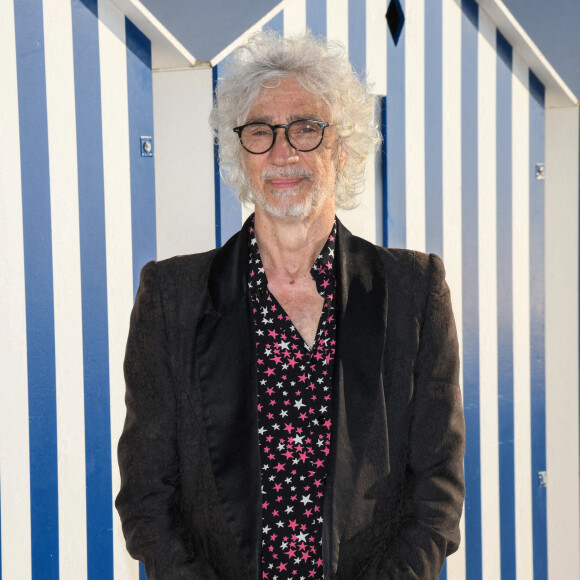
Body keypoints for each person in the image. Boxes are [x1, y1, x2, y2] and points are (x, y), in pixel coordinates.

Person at [116, 31, 465, 580]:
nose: (282, 152)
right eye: (260, 131)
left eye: (305, 128)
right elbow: (146, 499)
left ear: (341, 148)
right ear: (239, 153)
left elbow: (438, 496)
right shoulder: (172, 296)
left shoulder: (414, 291)